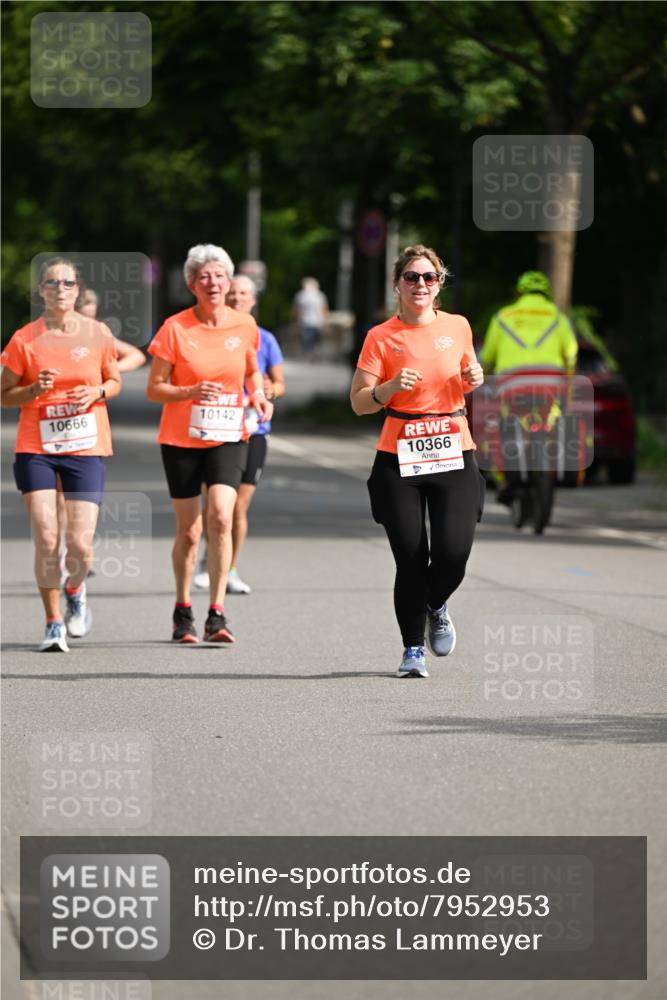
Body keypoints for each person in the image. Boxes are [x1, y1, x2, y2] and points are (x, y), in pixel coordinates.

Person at [350, 244, 484, 678]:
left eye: (429, 277)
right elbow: (358, 402)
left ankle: (434, 604)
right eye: (412, 277)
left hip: (451, 446)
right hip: (398, 456)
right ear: (397, 284)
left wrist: (475, 377)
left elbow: (468, 373)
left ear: (439, 283)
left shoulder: (458, 326)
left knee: (454, 552)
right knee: (410, 558)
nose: (421, 284)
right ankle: (412, 650)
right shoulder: (380, 336)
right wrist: (387, 389)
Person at [146, 244, 272, 644]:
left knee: (220, 515)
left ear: (228, 281)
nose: (213, 283)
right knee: (189, 530)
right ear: (191, 285)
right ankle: (183, 609)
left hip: (229, 434)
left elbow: (253, 371)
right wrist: (190, 391)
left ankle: (216, 613)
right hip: (182, 437)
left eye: (219, 275)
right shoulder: (175, 328)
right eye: (204, 277)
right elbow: (155, 389)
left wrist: (258, 394)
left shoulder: (244, 325)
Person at [0, 257, 121, 652]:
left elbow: (114, 380)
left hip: (85, 445)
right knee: (47, 536)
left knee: (81, 545)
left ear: (77, 289)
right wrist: (34, 390)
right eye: (52, 283)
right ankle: (53, 622)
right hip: (37, 446)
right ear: (40, 291)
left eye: (68, 283)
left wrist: (97, 392)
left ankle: (75, 588)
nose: (60, 289)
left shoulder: (98, 332)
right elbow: (4, 396)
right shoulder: (24, 339)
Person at [193, 274, 285, 593]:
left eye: (243, 293)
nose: (237, 299)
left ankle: (230, 568)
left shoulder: (266, 339)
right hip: (217, 425)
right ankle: (210, 557)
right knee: (215, 502)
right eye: (232, 293)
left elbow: (278, 382)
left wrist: (271, 390)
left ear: (253, 300)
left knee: (239, 506)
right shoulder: (212, 333)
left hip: (253, 428)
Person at [55, 288, 147, 582]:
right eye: (85, 315)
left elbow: (136, 355)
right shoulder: (52, 336)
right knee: (58, 496)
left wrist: (106, 374)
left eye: (93, 315)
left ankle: (79, 551)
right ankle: (59, 553)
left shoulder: (98, 335)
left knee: (81, 495)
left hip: (87, 428)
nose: (89, 321)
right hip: (55, 424)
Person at [480, 271, 578, 501]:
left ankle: (505, 479)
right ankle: (556, 459)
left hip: (512, 384)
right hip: (551, 383)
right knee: (553, 421)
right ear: (546, 292)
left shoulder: (503, 316)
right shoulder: (558, 317)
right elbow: (571, 355)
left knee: (505, 424)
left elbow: (486, 357)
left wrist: (482, 376)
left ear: (519, 292)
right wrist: (569, 382)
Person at [292, 277, 328, 358]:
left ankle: (308, 354)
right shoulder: (320, 296)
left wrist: (295, 321)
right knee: (314, 340)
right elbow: (324, 309)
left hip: (304, 321)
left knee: (306, 339)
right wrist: (324, 321)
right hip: (317, 322)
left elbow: (296, 310)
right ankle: (313, 354)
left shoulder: (300, 295)